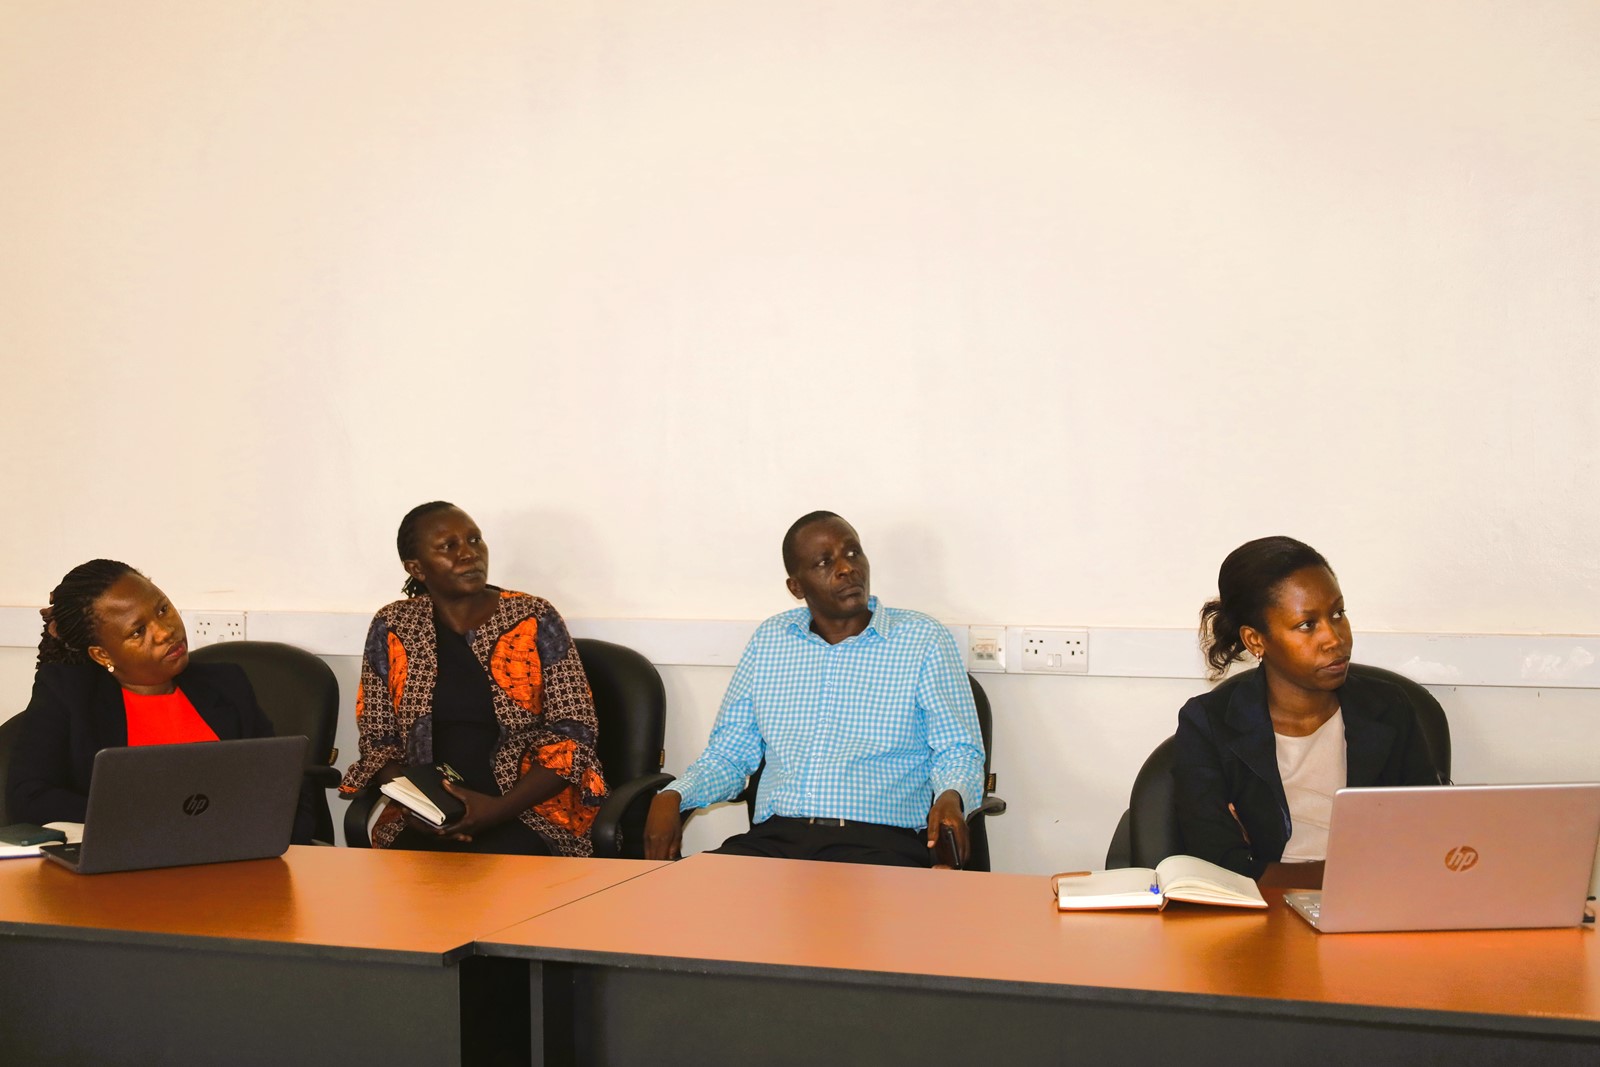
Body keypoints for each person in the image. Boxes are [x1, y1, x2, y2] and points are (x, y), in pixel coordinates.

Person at [644, 511, 984, 868]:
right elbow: (730, 754)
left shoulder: (922, 639)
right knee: (690, 899)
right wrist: (674, 795)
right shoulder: (771, 640)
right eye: (825, 562)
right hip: (776, 841)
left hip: (879, 845)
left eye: (853, 553)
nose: (846, 569)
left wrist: (951, 796)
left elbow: (957, 749)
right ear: (796, 587)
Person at [338, 502, 607, 856]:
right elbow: (378, 740)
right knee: (403, 890)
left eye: (474, 540)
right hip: (430, 813)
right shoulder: (394, 626)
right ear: (416, 568)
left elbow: (575, 732)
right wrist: (419, 807)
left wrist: (497, 811)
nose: (469, 554)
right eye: (449, 546)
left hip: (529, 810)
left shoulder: (533, 617)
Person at [1173, 536, 1442, 878]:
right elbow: (1218, 866)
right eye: (1307, 625)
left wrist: (1272, 868)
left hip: (1376, 900)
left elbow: (1427, 836)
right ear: (1256, 640)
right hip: (1262, 912)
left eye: (1338, 613)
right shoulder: (1208, 724)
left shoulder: (1388, 708)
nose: (1335, 638)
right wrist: (1337, 875)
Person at [8, 559, 315, 843]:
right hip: (124, 873)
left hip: (234, 862)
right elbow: (29, 797)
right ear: (102, 654)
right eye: (138, 631)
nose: (165, 632)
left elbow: (282, 784)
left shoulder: (227, 684)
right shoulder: (69, 694)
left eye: (163, 609)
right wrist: (154, 817)